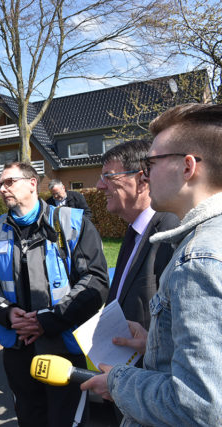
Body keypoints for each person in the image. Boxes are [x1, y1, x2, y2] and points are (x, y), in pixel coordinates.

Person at [81, 104, 222, 426]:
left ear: (188, 167)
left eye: (152, 163)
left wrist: (118, 381)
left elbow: (200, 406)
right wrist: (155, 342)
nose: (147, 174)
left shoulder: (198, 260)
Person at [0, 161, 108, 427]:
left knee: (66, 420)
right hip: (17, 347)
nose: (2, 189)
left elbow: (95, 280)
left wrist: (46, 320)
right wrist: (6, 312)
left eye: (9, 182)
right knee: (29, 419)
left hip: (62, 346)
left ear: (32, 183)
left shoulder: (71, 222)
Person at [97, 140, 178, 329]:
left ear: (142, 181)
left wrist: (148, 345)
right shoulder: (134, 231)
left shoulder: (170, 233)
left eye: (108, 177)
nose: (100, 186)